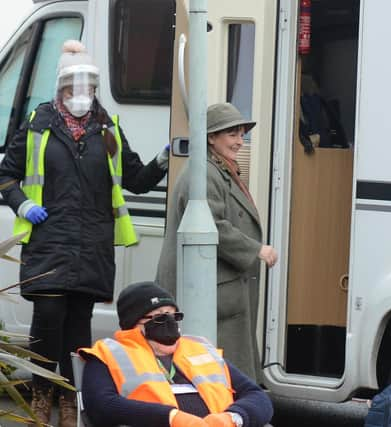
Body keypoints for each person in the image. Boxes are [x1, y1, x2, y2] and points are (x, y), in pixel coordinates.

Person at [0, 40, 169, 426]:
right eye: (75, 86)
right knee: (47, 318)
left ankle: (70, 403)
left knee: (78, 327)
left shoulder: (107, 129)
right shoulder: (38, 122)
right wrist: (23, 204)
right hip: (49, 242)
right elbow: (5, 175)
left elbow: (136, 179)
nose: (83, 95)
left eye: (89, 87)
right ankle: (43, 398)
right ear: (60, 88)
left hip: (91, 245)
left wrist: (163, 158)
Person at [157, 103, 277, 381]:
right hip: (211, 291)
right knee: (216, 373)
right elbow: (214, 226)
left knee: (225, 369)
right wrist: (256, 249)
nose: (239, 142)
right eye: (232, 134)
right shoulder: (204, 173)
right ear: (211, 137)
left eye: (241, 135)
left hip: (220, 289)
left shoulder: (217, 170)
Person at [79, 281, 273, 427]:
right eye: (160, 317)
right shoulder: (109, 354)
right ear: (134, 322)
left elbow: (257, 395)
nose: (170, 323)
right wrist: (172, 418)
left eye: (174, 316)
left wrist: (233, 417)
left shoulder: (201, 349)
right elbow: (101, 406)